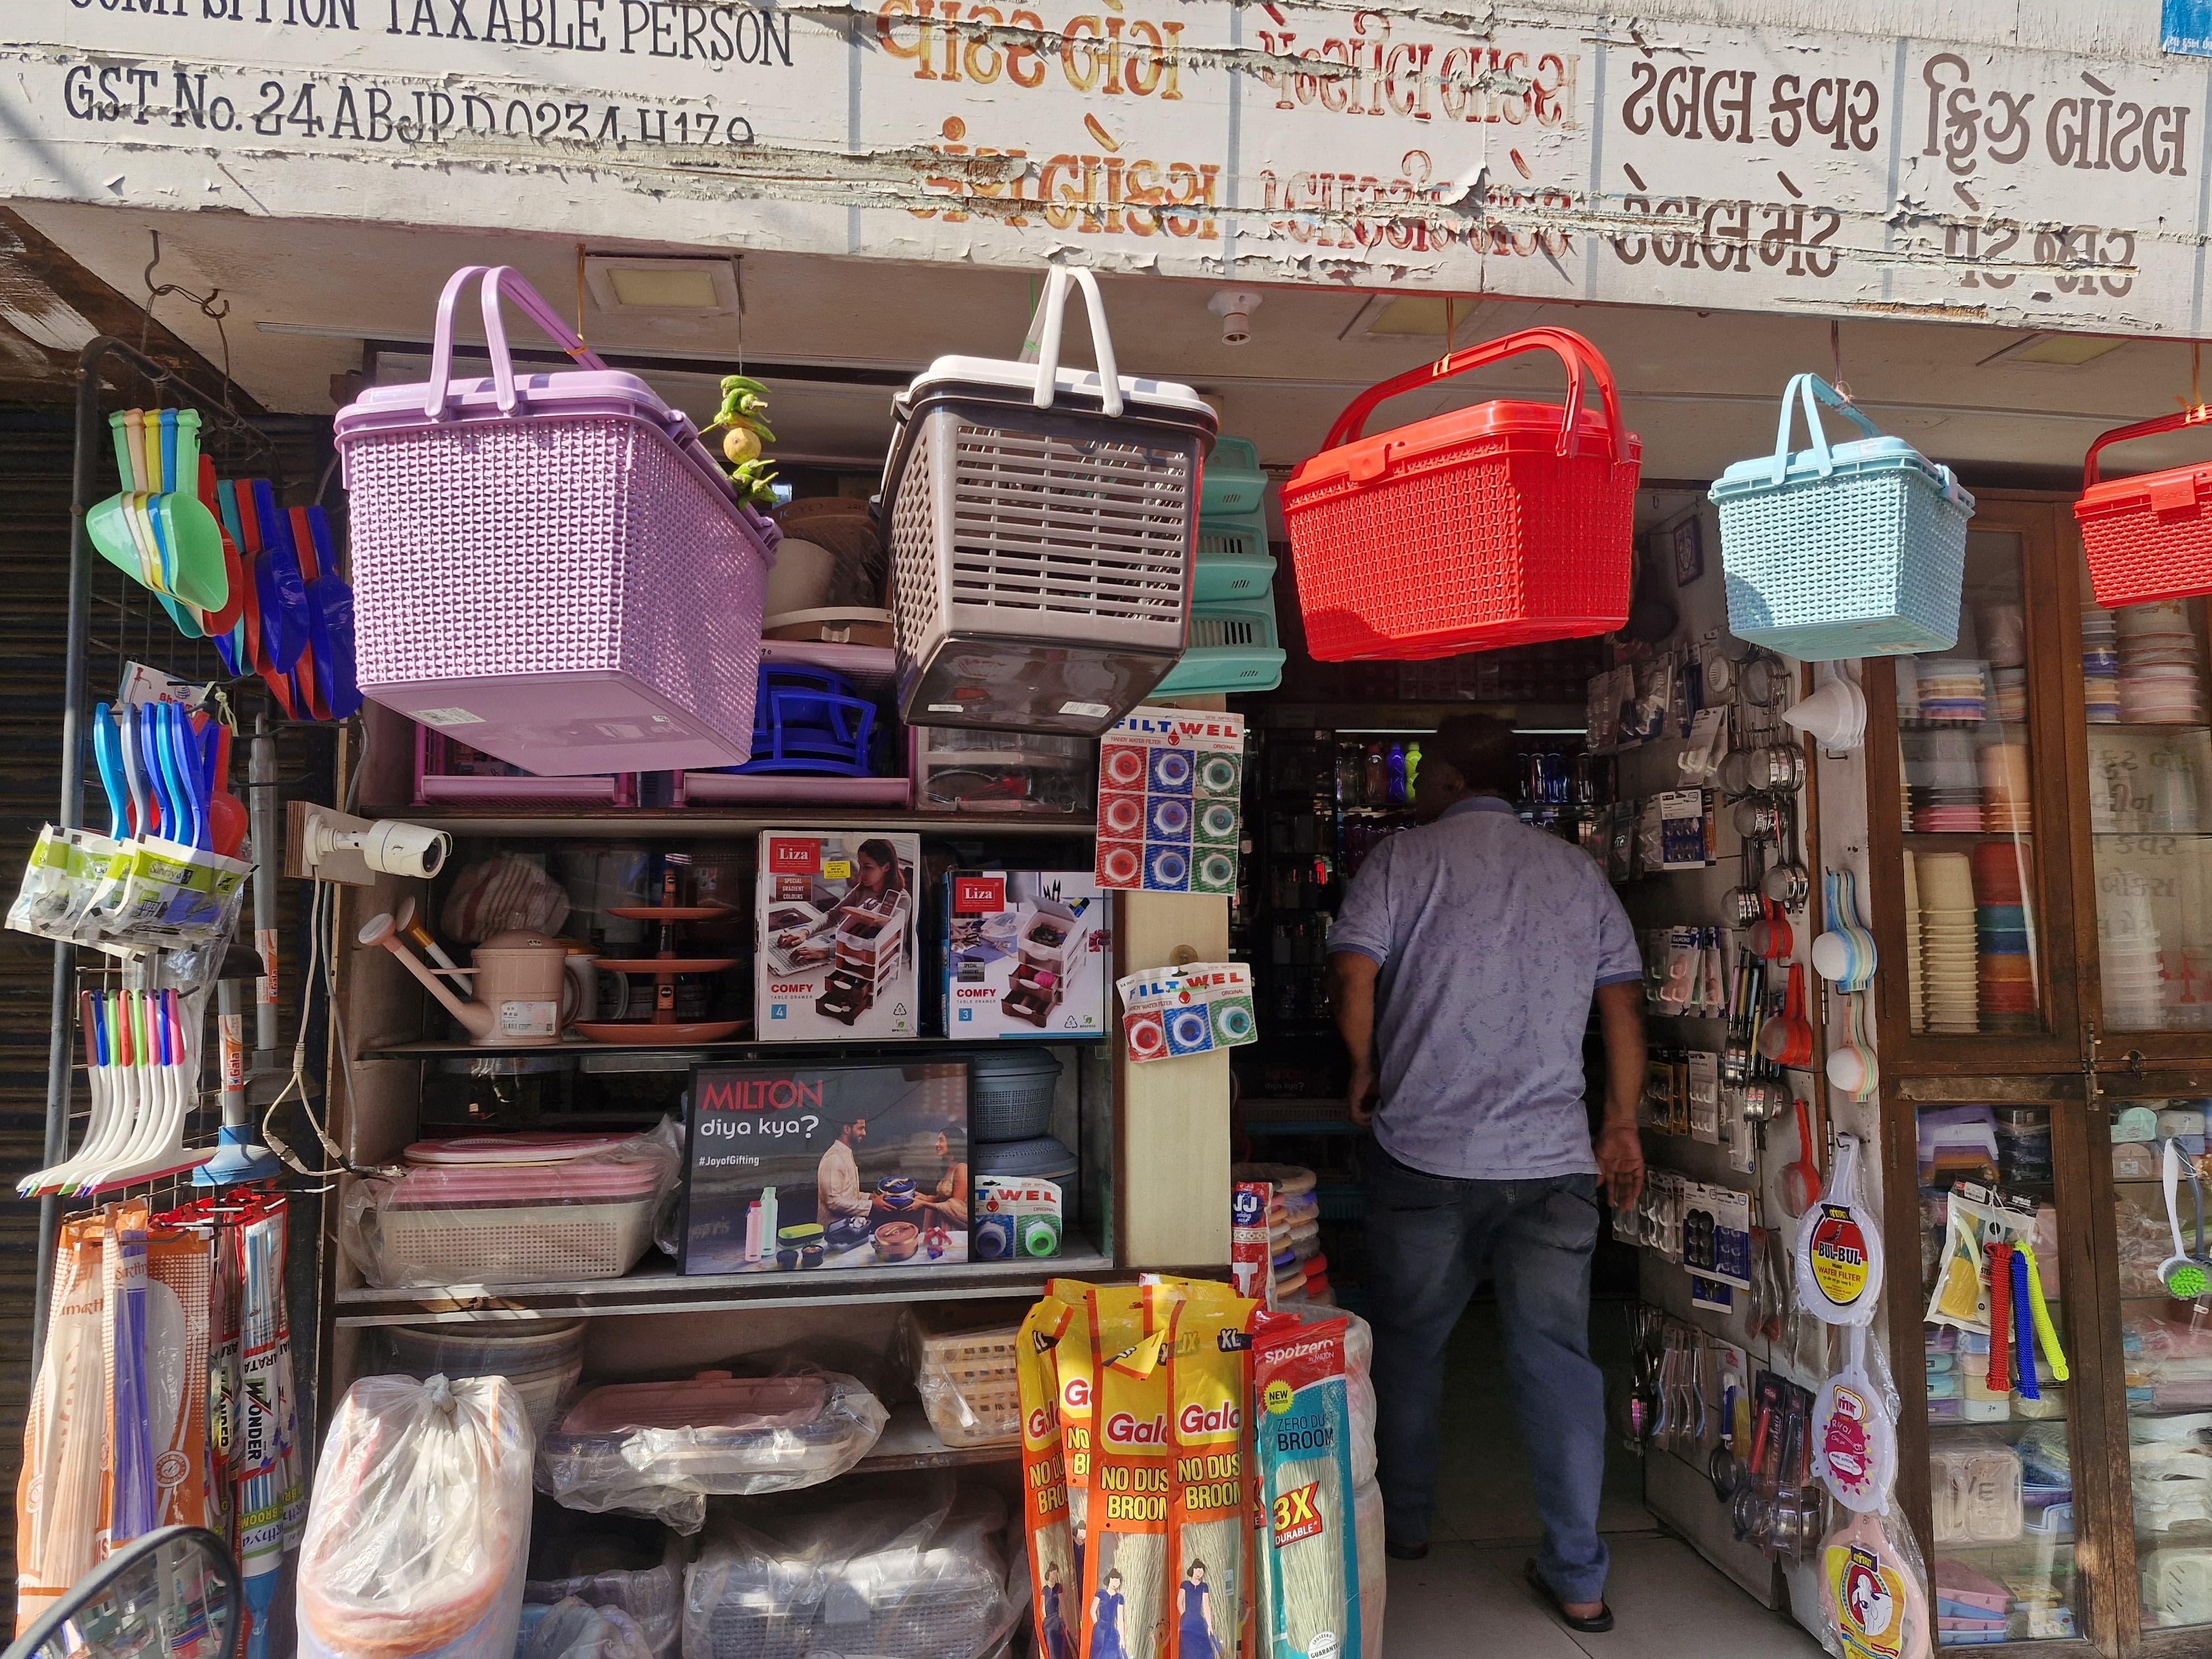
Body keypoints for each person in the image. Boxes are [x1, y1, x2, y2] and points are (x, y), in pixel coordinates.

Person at [1327, 712, 1646, 1636]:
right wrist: (1618, 1123)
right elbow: (1621, 1009)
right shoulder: (1576, 872)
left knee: (1412, 1346)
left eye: (1425, 768)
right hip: (1553, 1162)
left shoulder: (1400, 860)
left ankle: (1410, 1528)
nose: (1417, 783)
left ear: (1447, 779)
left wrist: (1363, 1066)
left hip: (1423, 1150)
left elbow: (1354, 977)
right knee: (1558, 1359)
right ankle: (1580, 1574)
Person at [815, 1116, 872, 1221]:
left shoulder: (845, 1153)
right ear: (847, 1129)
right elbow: (834, 1202)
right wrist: (871, 1206)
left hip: (847, 1232)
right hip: (833, 1235)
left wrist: (871, 1197)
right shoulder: (834, 1158)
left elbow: (849, 1194)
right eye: (860, 1128)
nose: (864, 1133)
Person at [1176, 1560, 1218, 1659]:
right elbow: (1179, 1603)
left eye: (1202, 1571)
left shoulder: (1204, 1587)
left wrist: (1210, 1626)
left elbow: (1206, 1606)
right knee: (1187, 1648)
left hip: (1198, 1620)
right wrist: (1184, 1616)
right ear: (1193, 1570)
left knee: (1204, 1647)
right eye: (1198, 1570)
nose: (1200, 1573)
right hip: (1187, 1621)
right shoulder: (1185, 1584)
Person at [1090, 1567, 1125, 1659]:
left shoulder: (1119, 1598)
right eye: (1114, 1580)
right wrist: (1097, 1625)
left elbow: (1120, 1620)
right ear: (1110, 1579)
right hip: (1100, 1633)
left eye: (1118, 1582)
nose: (1116, 1584)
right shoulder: (1100, 1593)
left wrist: (1122, 1639)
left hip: (1112, 1633)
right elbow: (1092, 1611)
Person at [1042, 1562, 1070, 1659]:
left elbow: (1062, 1606)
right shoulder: (1045, 1590)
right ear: (1049, 1573)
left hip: (1056, 1620)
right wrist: (1043, 1621)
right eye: (1053, 1573)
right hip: (1047, 1621)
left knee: (1060, 1645)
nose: (1054, 1575)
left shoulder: (1059, 1587)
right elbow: (1040, 1608)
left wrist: (1066, 1623)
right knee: (1050, 1643)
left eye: (1056, 1573)